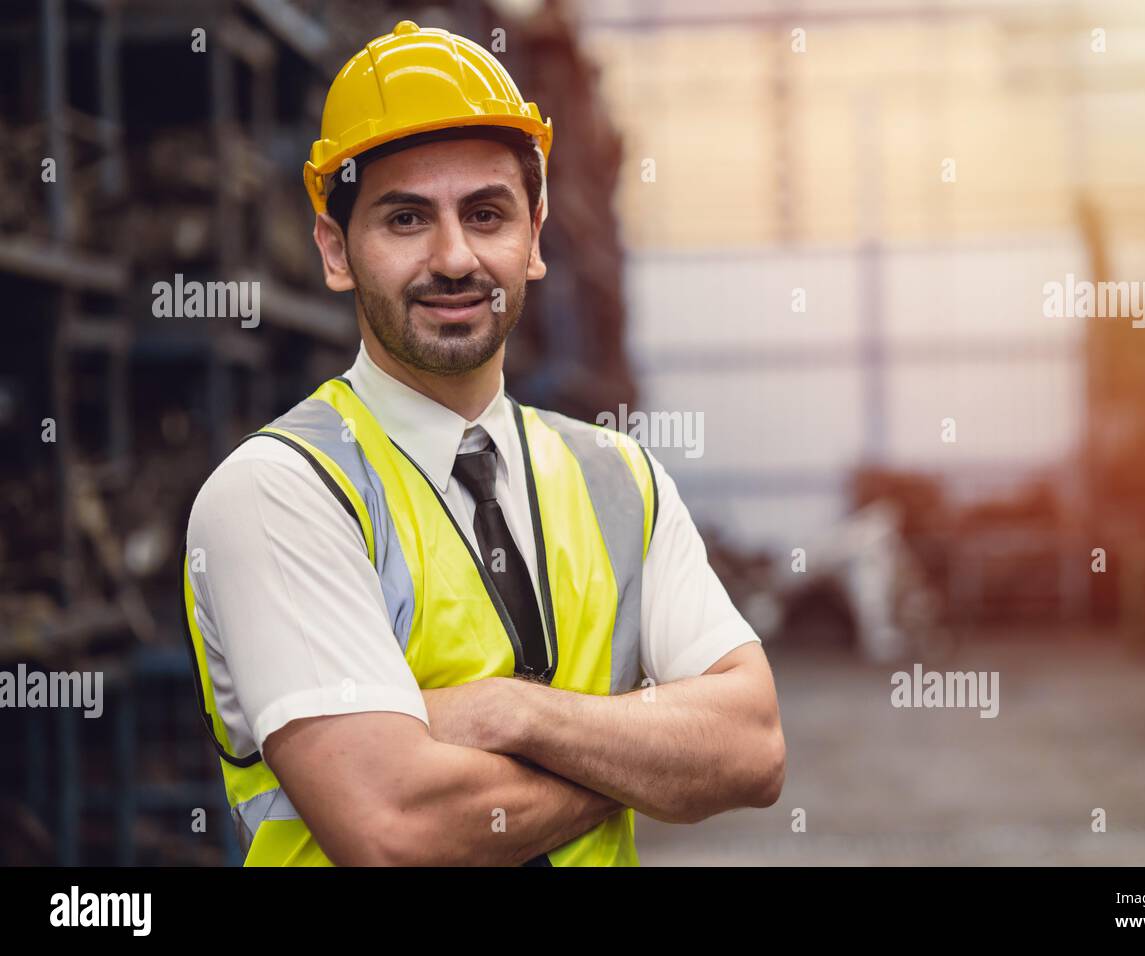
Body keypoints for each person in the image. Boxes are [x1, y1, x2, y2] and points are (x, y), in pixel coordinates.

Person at [182, 20, 784, 866]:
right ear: (334, 250)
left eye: (487, 214)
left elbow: (752, 749)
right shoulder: (280, 493)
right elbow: (396, 829)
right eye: (404, 219)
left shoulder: (620, 478)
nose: (455, 257)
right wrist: (643, 753)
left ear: (535, 239)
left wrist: (515, 713)